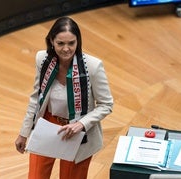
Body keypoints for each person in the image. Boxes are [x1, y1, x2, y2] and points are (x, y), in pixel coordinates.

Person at [15, 16, 113, 179]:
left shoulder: (93, 67)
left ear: (78, 42)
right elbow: (36, 99)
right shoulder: (42, 59)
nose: (66, 49)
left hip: (78, 131)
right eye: (60, 43)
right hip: (47, 125)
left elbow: (106, 105)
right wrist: (23, 133)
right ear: (51, 41)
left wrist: (81, 124)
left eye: (71, 43)